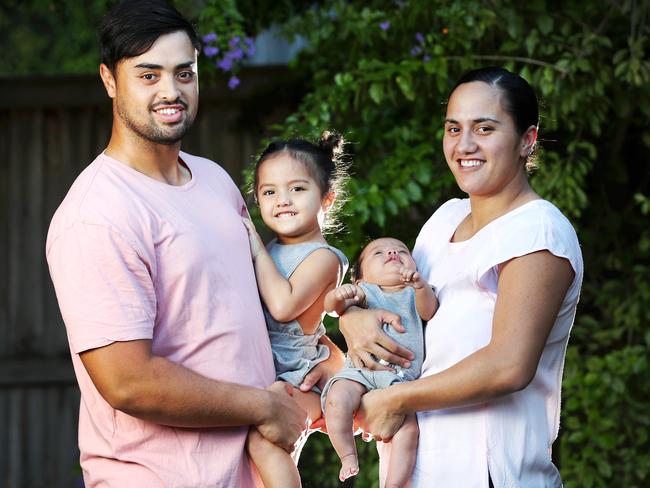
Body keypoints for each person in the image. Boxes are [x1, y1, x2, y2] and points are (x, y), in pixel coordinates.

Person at [45, 1, 337, 486]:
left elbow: (265, 315)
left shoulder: (215, 181)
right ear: (109, 80)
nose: (171, 91)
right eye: (148, 75)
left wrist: (342, 362)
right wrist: (263, 406)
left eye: (185, 73)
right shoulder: (96, 215)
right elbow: (128, 382)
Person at [339, 67, 584, 487]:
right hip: (417, 470)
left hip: (491, 474)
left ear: (528, 139)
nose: (464, 145)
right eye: (454, 128)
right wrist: (352, 319)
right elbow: (398, 305)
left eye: (484, 128)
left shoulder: (538, 231)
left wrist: (396, 397)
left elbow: (508, 366)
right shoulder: (444, 219)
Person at [242, 132, 349, 488]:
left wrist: (255, 248)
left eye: (297, 189)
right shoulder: (273, 248)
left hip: (298, 378)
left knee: (264, 442)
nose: (282, 200)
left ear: (327, 199)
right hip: (269, 375)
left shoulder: (323, 258)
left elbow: (284, 305)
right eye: (269, 192)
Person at [321, 237, 437, 484]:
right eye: (378, 253)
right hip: (360, 370)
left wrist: (419, 286)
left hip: (399, 378)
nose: (392, 252)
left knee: (408, 431)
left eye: (402, 250)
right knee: (337, 399)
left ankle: (394, 484)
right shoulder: (366, 292)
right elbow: (333, 308)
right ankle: (348, 455)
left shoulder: (415, 292)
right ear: (360, 278)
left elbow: (429, 311)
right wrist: (337, 296)